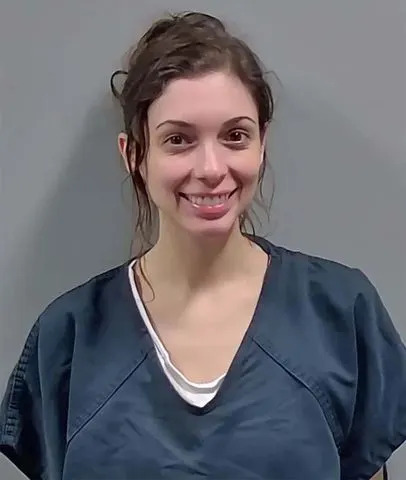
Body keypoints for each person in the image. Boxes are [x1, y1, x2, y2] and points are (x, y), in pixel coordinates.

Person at [0, 11, 404, 480]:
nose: (211, 168)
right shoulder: (67, 339)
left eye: (235, 136)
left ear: (262, 144)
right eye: (178, 139)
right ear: (133, 154)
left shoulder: (340, 313)